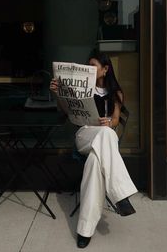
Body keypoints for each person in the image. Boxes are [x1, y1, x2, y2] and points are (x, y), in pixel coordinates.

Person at [50, 51, 138, 248]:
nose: (90, 68)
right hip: (85, 135)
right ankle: (120, 195)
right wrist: (58, 93)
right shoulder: (82, 88)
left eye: (94, 65)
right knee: (105, 136)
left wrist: (110, 122)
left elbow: (115, 120)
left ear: (105, 69)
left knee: (95, 162)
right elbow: (67, 111)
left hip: (104, 139)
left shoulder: (116, 93)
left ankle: (85, 230)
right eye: (88, 65)